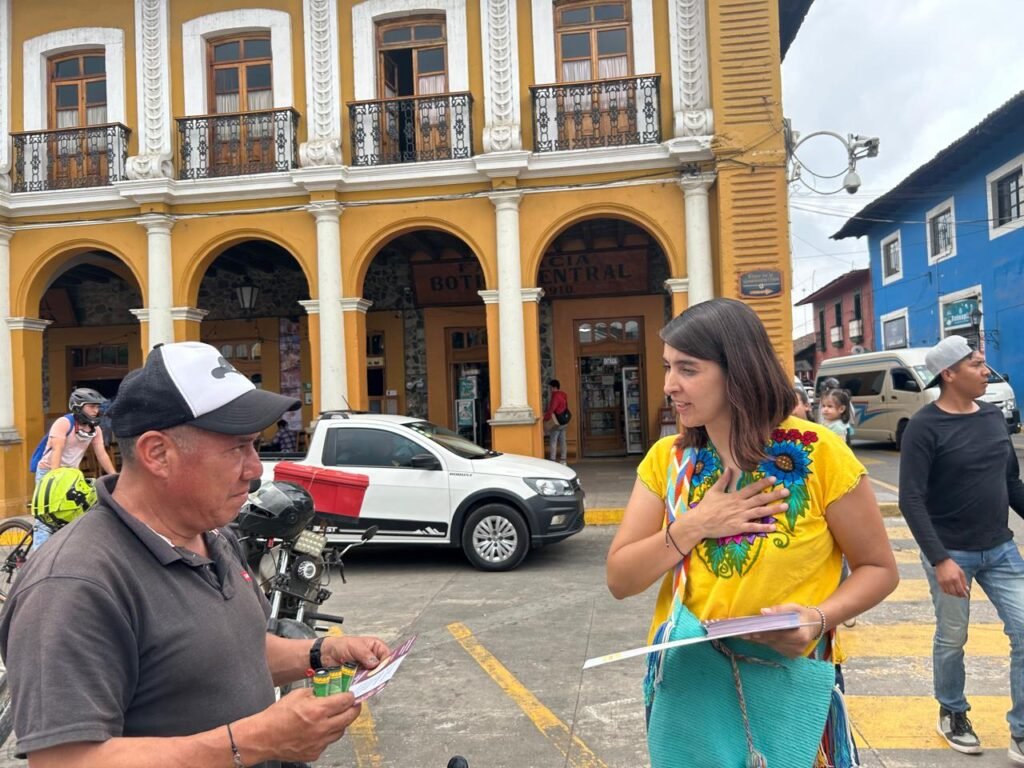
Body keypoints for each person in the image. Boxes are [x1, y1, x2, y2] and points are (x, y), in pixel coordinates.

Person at [0, 341, 390, 768]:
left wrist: (317, 656)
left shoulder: (214, 535)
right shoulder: (74, 584)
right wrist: (251, 743)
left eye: (255, 446)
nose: (256, 468)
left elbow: (234, 652)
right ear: (157, 453)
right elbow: (64, 762)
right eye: (237, 448)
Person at [606, 299, 898, 767]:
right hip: (691, 684)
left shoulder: (818, 454)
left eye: (688, 369)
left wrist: (818, 618)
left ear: (737, 371)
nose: (669, 386)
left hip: (789, 678)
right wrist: (698, 523)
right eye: (667, 368)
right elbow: (621, 579)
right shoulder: (669, 460)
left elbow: (879, 569)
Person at [899, 335, 1024, 760]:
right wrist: (940, 560)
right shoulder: (923, 427)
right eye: (976, 364)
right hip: (951, 552)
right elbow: (910, 500)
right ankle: (952, 711)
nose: (985, 371)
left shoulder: (992, 418)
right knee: (953, 638)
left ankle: (1021, 730)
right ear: (949, 374)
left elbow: (1011, 484)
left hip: (1001, 550)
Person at [31, 387, 117, 551]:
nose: (96, 410)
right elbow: (57, 450)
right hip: (49, 472)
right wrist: (54, 478)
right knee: (46, 518)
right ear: (78, 406)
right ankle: (37, 558)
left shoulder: (95, 430)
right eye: (91, 406)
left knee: (73, 513)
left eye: (97, 407)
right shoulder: (64, 423)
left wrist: (115, 476)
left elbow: (102, 454)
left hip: (70, 475)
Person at [543, 378, 569, 464]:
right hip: (564, 421)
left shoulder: (555, 396)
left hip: (557, 422)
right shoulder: (563, 394)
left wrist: (545, 418)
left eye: (551, 387)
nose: (550, 389)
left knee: (553, 440)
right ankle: (563, 459)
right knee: (563, 440)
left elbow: (551, 409)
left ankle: (552, 459)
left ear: (553, 387)